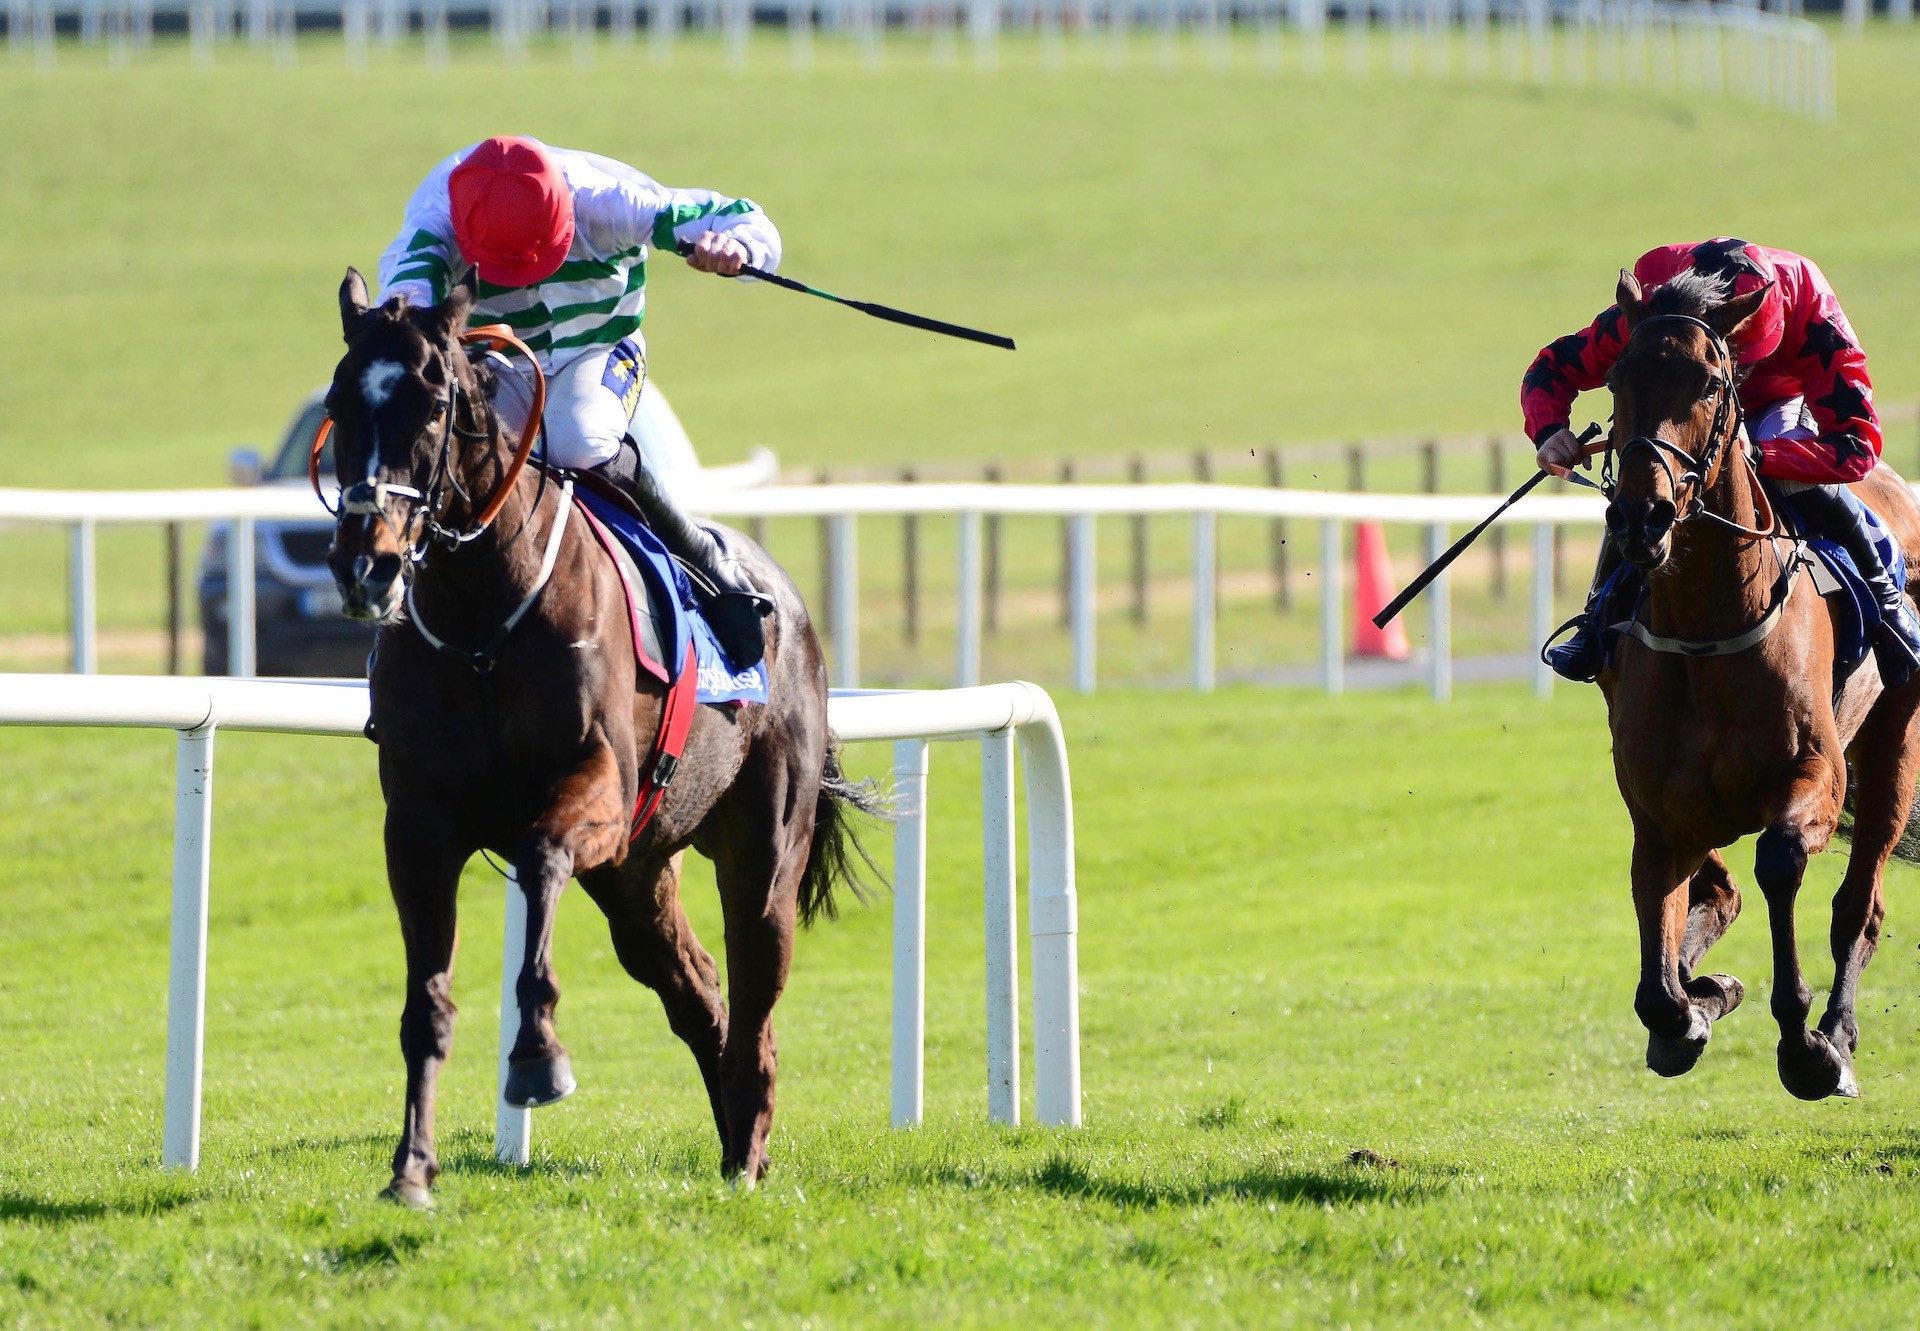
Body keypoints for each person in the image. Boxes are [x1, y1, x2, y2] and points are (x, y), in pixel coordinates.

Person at [377, 135, 780, 664]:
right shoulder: (435, 222)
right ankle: (403, 614)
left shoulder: (610, 198)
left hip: (599, 347)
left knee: (580, 441)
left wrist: (738, 249)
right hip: (500, 360)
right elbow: (403, 320)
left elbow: (747, 220)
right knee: (460, 454)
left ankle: (705, 562)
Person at [1522, 237, 1920, 686]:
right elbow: (1551, 368)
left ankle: (1887, 604)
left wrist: (1764, 454)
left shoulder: (1808, 304)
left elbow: (1856, 447)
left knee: (1793, 482)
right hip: (1683, 394)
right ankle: (1598, 617)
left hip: (1776, 401)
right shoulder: (1650, 316)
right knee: (1646, 483)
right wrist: (1549, 429)